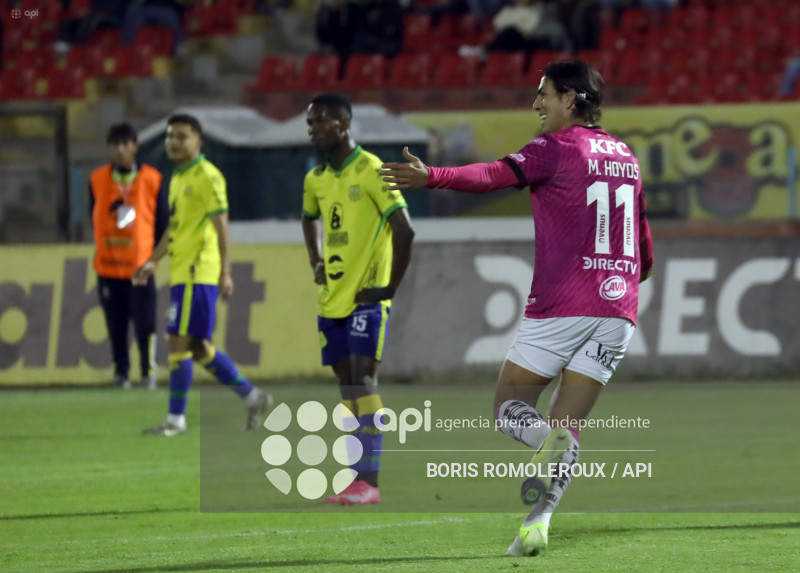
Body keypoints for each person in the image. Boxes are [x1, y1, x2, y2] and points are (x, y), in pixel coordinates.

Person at [379, 60, 654, 555]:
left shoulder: (555, 147)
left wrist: (432, 175)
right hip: (620, 310)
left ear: (570, 98)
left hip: (564, 303)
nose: (536, 104)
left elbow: (493, 174)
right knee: (566, 425)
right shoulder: (627, 157)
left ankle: (550, 451)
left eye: (544, 94)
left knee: (510, 408)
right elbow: (646, 251)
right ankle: (536, 524)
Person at [301, 94, 415, 504]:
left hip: (367, 297)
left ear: (345, 123)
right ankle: (356, 478)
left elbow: (405, 230)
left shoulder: (371, 169)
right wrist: (316, 259)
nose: (314, 129)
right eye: (310, 123)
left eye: (321, 121)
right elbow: (308, 218)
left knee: (364, 379)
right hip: (332, 298)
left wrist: (388, 289)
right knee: (347, 385)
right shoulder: (315, 178)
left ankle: (370, 480)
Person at [133, 113, 272, 436]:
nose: (174, 142)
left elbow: (221, 224)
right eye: (170, 136)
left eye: (182, 136)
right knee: (198, 348)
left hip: (198, 271)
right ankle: (253, 397)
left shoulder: (208, 176)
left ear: (198, 140)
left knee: (177, 342)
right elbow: (176, 228)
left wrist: (226, 272)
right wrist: (153, 260)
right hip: (183, 271)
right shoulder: (178, 178)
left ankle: (175, 420)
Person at [90, 122, 167, 390]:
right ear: (109, 148)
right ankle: (121, 373)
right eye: (115, 144)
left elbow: (162, 224)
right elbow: (94, 216)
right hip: (108, 269)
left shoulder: (152, 179)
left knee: (146, 324)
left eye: (125, 144)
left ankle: (148, 373)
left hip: (140, 269)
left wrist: (153, 260)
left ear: (135, 147)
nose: (120, 150)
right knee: (116, 326)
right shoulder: (97, 179)